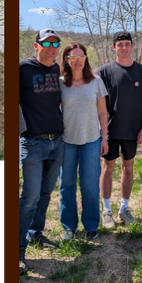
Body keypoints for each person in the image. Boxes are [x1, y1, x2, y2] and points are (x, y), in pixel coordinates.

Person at [19, 28, 64, 275]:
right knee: (29, 198)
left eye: (55, 44)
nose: (51, 48)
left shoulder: (57, 70)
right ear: (36, 46)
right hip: (33, 143)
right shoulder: (23, 68)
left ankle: (36, 233)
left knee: (46, 193)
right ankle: (17, 251)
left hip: (57, 142)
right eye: (45, 43)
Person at [97, 31, 142, 228]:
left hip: (133, 131)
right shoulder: (104, 71)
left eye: (127, 44)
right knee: (108, 168)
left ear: (132, 46)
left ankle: (124, 208)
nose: (124, 48)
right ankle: (106, 210)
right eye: (120, 45)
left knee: (128, 168)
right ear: (114, 47)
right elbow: (99, 105)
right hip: (110, 131)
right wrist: (102, 134)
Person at [59, 42, 109, 241]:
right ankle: (69, 227)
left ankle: (90, 225)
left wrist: (104, 137)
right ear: (66, 60)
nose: (78, 61)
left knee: (89, 185)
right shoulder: (60, 82)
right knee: (67, 185)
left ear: (86, 59)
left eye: (81, 57)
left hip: (91, 140)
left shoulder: (96, 81)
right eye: (73, 57)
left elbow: (103, 111)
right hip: (66, 141)